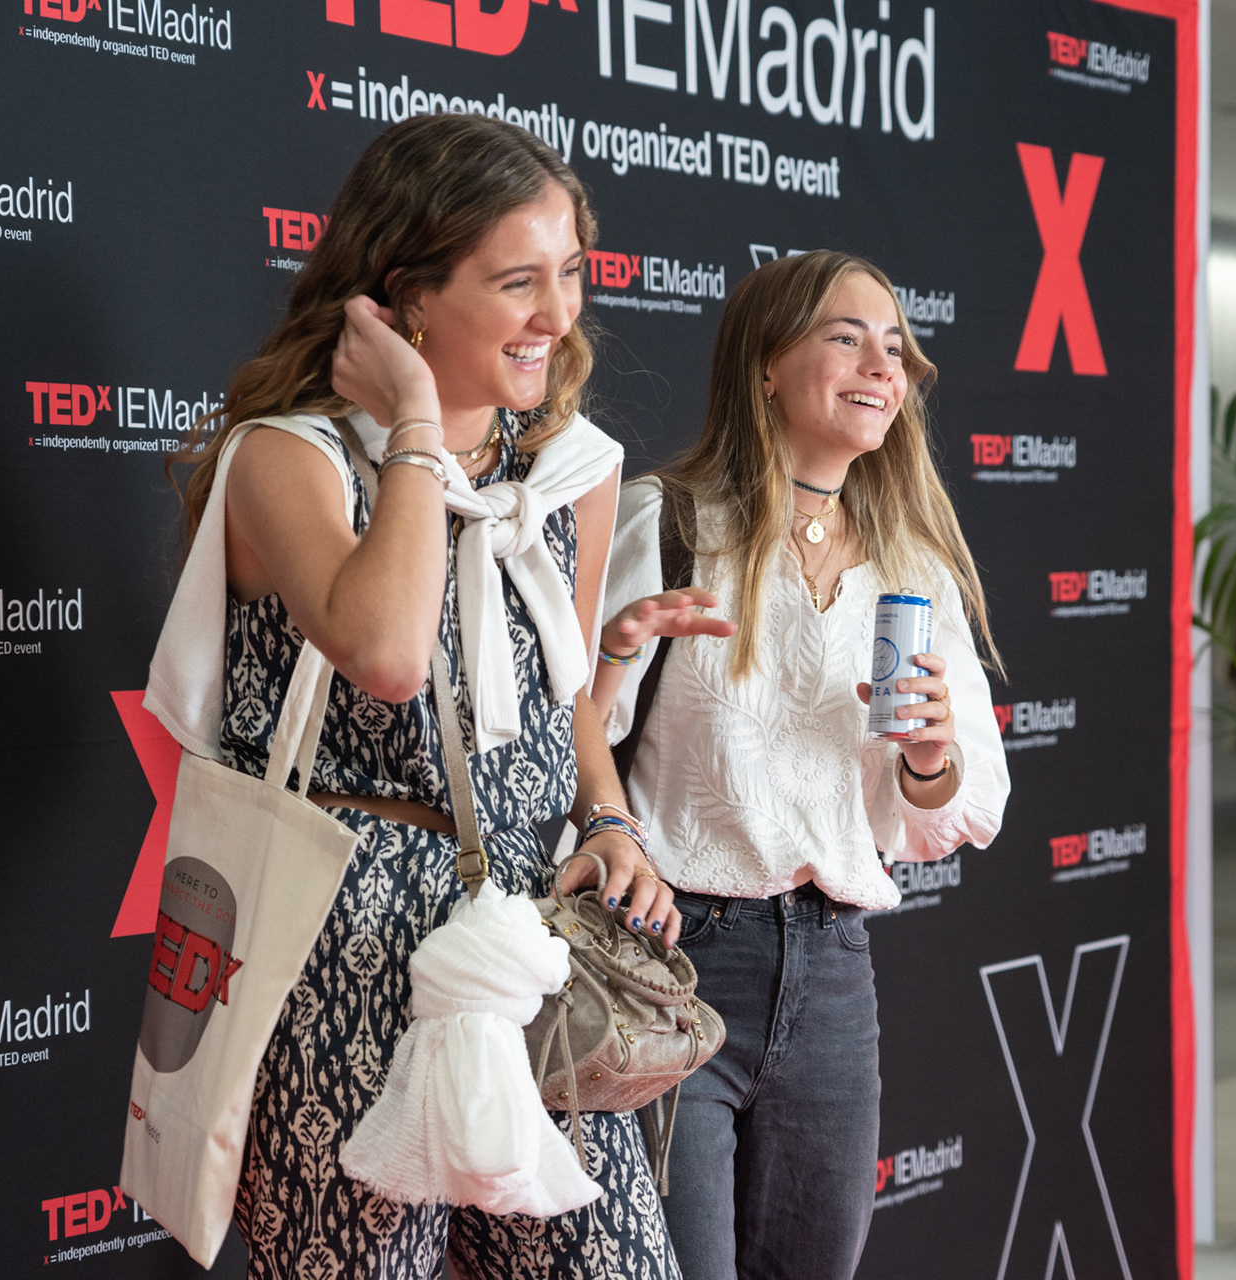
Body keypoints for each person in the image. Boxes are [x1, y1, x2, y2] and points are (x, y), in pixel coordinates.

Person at [159, 115, 680, 1277]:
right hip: (339, 948)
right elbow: (388, 653)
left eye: (569, 274)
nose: (559, 314)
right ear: (407, 296)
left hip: (524, 942)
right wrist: (411, 425)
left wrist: (608, 819)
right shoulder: (290, 457)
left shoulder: (568, 473)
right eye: (518, 281)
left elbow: (563, 695)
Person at [589, 250, 1010, 1280]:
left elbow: (961, 808)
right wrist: (612, 657)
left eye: (895, 347)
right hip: (670, 958)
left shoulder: (913, 568)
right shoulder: (668, 521)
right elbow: (569, 738)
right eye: (846, 337)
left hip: (831, 974)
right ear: (766, 366)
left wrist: (929, 758)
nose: (882, 366)